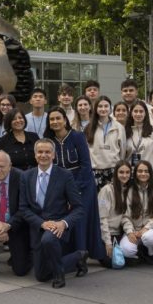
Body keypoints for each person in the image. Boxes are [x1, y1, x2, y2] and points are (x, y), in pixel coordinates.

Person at [19, 138, 88, 288]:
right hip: (38, 227)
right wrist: (42, 224)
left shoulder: (64, 175)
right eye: (40, 152)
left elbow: (78, 207)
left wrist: (63, 223)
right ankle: (78, 256)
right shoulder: (26, 176)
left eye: (47, 152)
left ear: (54, 155)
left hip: (58, 225)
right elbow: (23, 208)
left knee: (49, 239)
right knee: (41, 276)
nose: (43, 155)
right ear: (35, 155)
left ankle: (59, 274)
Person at [45, 107, 107, 262]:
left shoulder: (77, 136)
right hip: (60, 186)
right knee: (64, 220)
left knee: (79, 220)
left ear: (65, 119)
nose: (55, 122)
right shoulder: (49, 141)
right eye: (52, 119)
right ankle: (70, 256)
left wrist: (74, 190)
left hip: (83, 184)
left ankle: (83, 254)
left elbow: (86, 165)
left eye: (58, 118)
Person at [99, 161, 153, 265]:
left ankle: (149, 252)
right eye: (140, 171)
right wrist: (129, 231)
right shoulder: (110, 190)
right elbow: (123, 216)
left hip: (148, 230)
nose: (143, 173)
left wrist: (146, 228)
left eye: (146, 171)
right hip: (107, 233)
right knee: (118, 258)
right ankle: (140, 254)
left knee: (149, 238)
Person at [124, 102, 153, 196]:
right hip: (130, 177)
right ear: (131, 113)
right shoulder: (125, 132)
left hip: (149, 176)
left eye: (141, 111)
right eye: (135, 111)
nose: (138, 114)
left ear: (146, 114)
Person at [86, 96, 125, 190]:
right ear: (95, 109)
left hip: (113, 170)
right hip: (95, 171)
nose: (103, 109)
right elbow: (87, 149)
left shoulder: (119, 127)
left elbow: (123, 151)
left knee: (113, 200)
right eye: (100, 106)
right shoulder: (89, 127)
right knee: (98, 201)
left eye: (106, 106)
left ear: (110, 108)